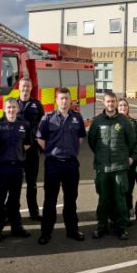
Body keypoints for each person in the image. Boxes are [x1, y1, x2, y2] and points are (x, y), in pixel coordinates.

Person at [36, 88, 87, 245]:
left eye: (67, 98)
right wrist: (52, 151)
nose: (64, 102)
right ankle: (46, 233)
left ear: (70, 100)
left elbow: (80, 138)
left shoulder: (77, 118)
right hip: (53, 164)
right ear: (56, 101)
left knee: (71, 199)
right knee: (50, 200)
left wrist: (70, 150)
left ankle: (72, 230)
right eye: (61, 99)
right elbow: (40, 138)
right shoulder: (48, 118)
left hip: (71, 164)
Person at [88, 91, 136, 240]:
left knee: (120, 200)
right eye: (108, 101)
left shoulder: (124, 121)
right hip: (102, 168)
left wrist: (126, 157)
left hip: (119, 168)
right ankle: (102, 226)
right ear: (104, 102)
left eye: (113, 101)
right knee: (103, 200)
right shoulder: (97, 122)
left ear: (116, 102)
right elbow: (92, 142)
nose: (111, 104)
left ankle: (121, 228)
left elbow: (132, 141)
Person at [0, 98, 32, 243]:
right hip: (2, 167)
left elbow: (27, 144)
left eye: (14, 107)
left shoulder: (24, 125)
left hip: (17, 167)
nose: (11, 110)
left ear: (18, 109)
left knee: (15, 199)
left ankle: (16, 227)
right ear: (4, 109)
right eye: (9, 107)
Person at [16, 78, 45, 220]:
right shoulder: (12, 104)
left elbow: (42, 126)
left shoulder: (37, 105)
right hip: (16, 150)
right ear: (19, 87)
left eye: (28, 86)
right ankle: (12, 212)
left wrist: (40, 146)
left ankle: (34, 212)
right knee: (14, 183)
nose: (25, 89)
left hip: (32, 150)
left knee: (32, 183)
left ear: (31, 88)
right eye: (23, 86)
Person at [117, 98, 137, 219]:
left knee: (128, 189)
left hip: (129, 163)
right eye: (120, 105)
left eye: (125, 105)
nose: (122, 107)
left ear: (128, 108)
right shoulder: (112, 121)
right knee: (116, 190)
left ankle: (127, 213)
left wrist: (132, 158)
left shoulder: (133, 123)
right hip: (115, 163)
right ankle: (116, 214)